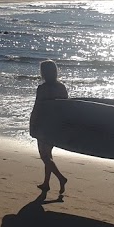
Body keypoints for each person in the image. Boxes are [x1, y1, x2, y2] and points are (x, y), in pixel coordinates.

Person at [28, 60, 69, 195]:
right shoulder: (61, 87)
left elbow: (37, 107)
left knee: (44, 156)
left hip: (43, 124)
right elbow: (66, 107)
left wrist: (32, 124)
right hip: (56, 125)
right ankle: (46, 183)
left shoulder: (43, 88)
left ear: (44, 73)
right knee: (48, 154)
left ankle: (61, 178)